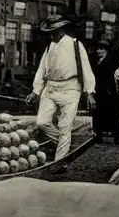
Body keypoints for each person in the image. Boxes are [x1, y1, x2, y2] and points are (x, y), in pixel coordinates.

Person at [26, 15, 96, 169]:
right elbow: (41, 70)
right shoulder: (50, 46)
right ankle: (64, 144)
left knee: (65, 127)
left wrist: (90, 92)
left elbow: (86, 68)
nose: (51, 35)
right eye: (49, 31)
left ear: (61, 29)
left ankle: (59, 163)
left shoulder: (75, 44)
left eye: (54, 31)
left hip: (70, 88)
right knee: (42, 122)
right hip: (50, 88)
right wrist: (35, 91)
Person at [90, 40, 119, 144]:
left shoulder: (112, 62)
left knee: (113, 113)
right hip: (98, 91)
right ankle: (98, 135)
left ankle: (116, 135)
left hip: (110, 91)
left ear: (106, 51)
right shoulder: (94, 61)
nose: (99, 51)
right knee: (98, 113)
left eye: (101, 49)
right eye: (98, 49)